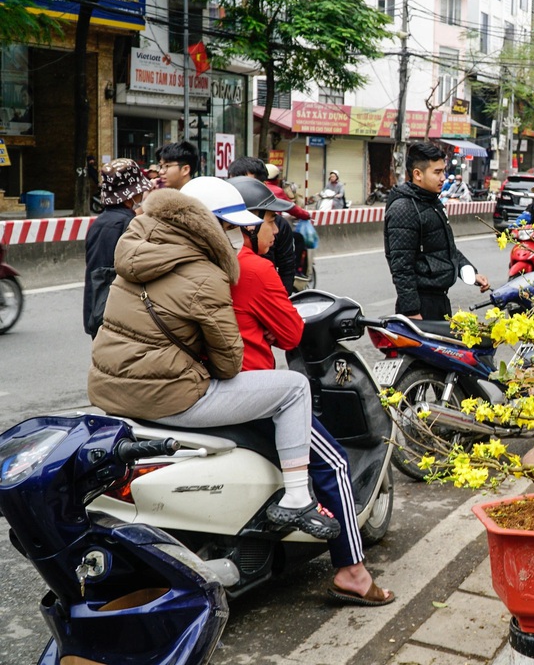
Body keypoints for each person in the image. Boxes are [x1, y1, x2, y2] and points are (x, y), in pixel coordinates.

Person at [87, 178, 340, 540]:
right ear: (210, 226)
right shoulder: (207, 274)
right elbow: (228, 364)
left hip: (109, 392)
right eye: (232, 226)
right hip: (168, 399)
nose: (238, 234)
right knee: (296, 388)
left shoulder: (133, 255)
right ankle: (298, 497)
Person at [226, 176, 393, 605]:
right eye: (270, 220)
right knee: (334, 462)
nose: (277, 229)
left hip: (191, 391)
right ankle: (352, 573)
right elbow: (290, 334)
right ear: (246, 225)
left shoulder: (198, 264)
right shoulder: (255, 269)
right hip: (252, 391)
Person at [384, 142, 490, 320]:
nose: (443, 178)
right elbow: (402, 267)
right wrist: (412, 312)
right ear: (417, 174)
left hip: (439, 300)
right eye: (437, 172)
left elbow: (445, 248)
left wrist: (469, 271)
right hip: (420, 305)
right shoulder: (404, 208)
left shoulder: (432, 202)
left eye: (443, 171)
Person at [83, 158, 153, 337]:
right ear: (130, 195)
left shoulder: (99, 222)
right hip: (115, 314)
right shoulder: (128, 224)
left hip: (95, 310)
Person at [229, 157, 297, 294]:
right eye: (234, 183)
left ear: (263, 185)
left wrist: (281, 298)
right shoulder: (219, 223)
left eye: (247, 184)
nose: (240, 189)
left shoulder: (280, 227)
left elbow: (287, 268)